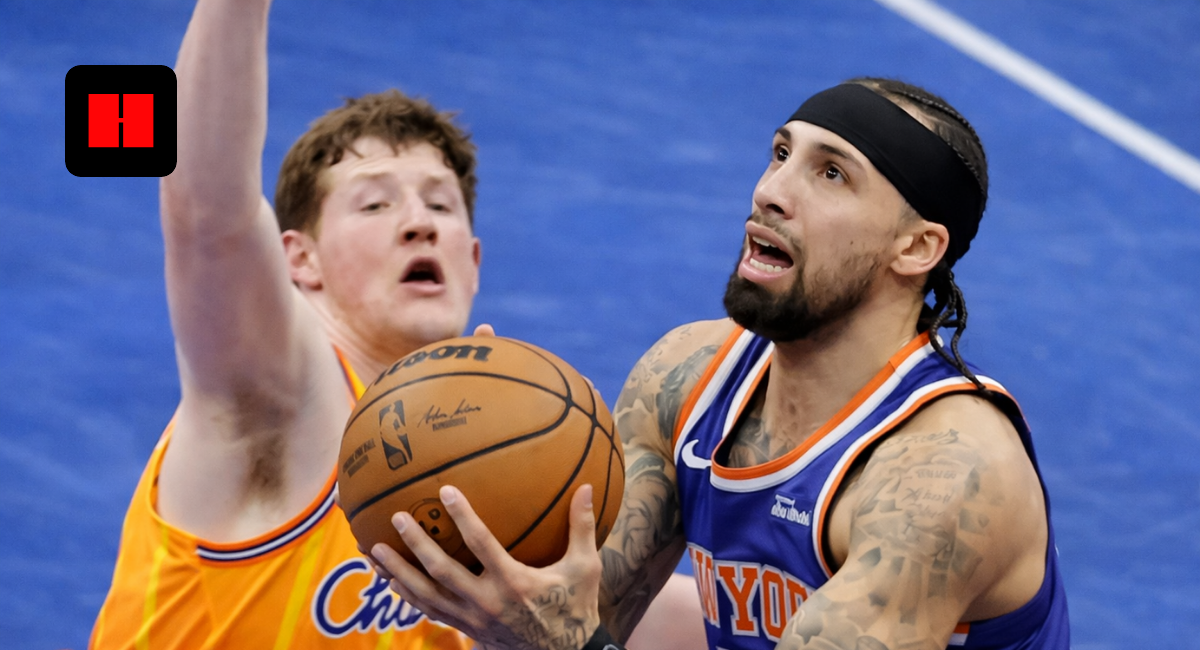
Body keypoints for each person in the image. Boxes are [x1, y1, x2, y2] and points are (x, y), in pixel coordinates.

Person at [368, 78, 1070, 650]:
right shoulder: (686, 378)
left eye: (830, 173)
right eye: (780, 153)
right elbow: (575, 608)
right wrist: (479, 463)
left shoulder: (945, 477)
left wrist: (560, 645)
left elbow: (568, 641)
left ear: (916, 249)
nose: (770, 191)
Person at [90, 1, 705, 647]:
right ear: (296, 257)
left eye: (440, 203)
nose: (420, 222)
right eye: (375, 202)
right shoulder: (279, 401)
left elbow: (690, 625)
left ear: (472, 262)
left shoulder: (520, 474)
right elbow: (207, 213)